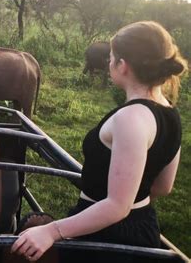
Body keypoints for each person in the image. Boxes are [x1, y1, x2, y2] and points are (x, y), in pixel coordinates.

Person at [11, 21, 187, 262]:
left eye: (111, 58)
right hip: (143, 226)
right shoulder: (171, 113)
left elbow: (117, 206)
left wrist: (52, 230)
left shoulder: (130, 118)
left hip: (105, 236)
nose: (109, 64)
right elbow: (163, 186)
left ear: (122, 66)